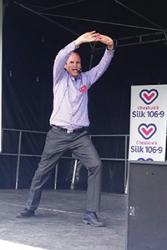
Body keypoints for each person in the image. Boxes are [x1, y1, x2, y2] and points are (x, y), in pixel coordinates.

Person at [17, 31, 114, 227]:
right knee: (42, 171)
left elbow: (102, 67)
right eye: (72, 63)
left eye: (78, 63)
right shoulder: (59, 78)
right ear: (65, 66)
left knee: (96, 165)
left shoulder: (86, 80)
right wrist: (78, 42)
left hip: (80, 136)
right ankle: (30, 207)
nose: (76, 65)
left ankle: (90, 213)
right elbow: (61, 55)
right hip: (58, 134)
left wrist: (110, 48)